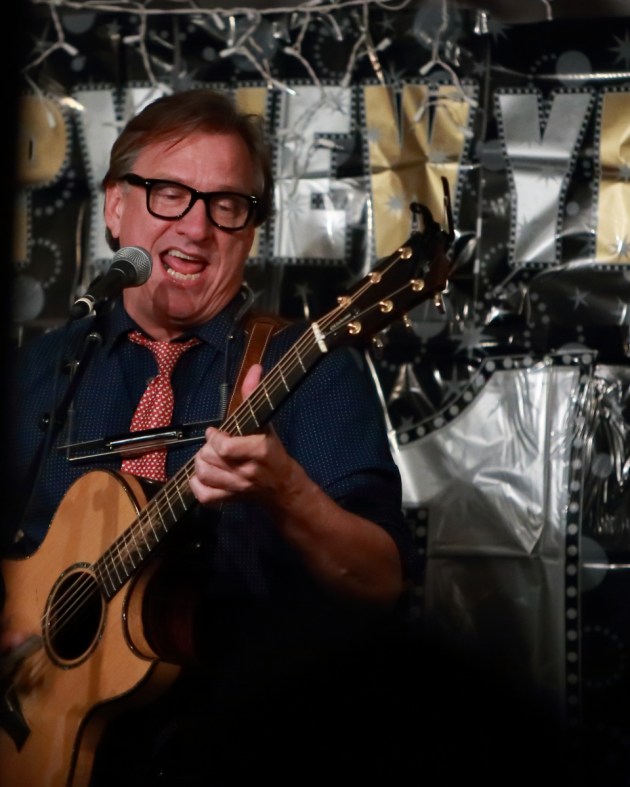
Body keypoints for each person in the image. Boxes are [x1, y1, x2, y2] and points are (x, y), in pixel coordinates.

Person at [2, 88, 422, 787]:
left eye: (226, 204)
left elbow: (381, 582)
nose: (196, 229)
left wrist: (286, 493)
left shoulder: (308, 371)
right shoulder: (36, 374)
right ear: (115, 206)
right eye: (169, 194)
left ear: (250, 230)